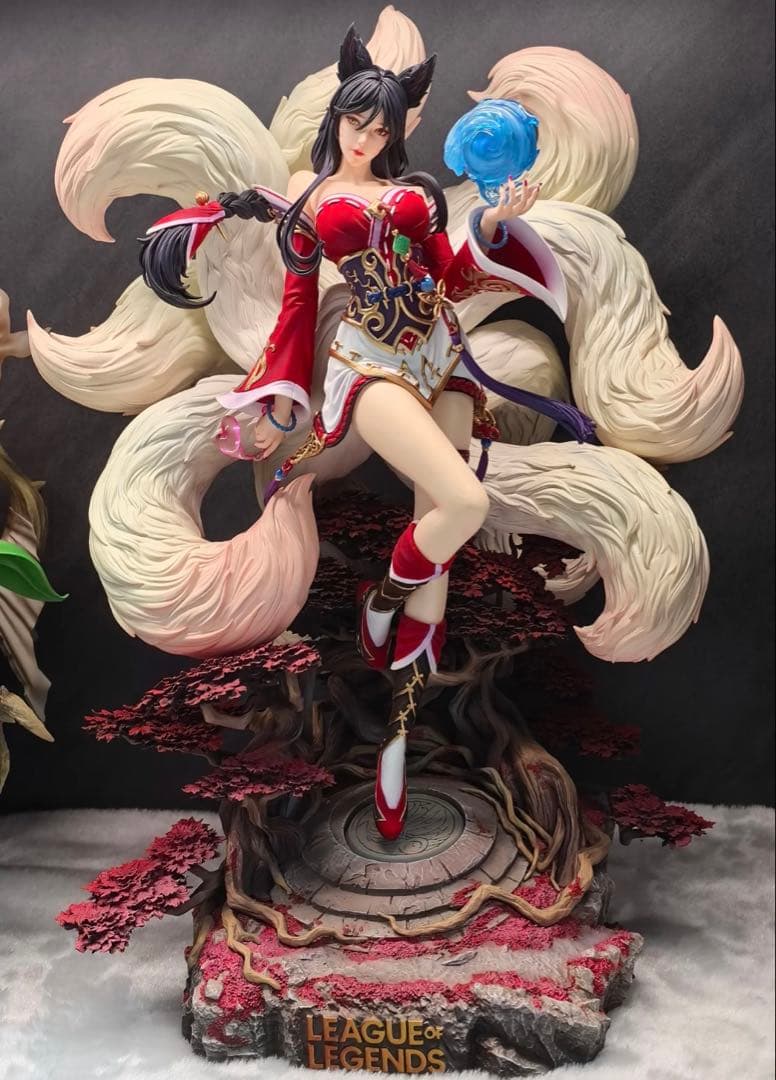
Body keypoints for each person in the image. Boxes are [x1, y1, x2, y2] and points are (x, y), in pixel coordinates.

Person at [140, 26, 594, 841]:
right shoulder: (308, 201)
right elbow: (296, 308)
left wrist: (493, 226)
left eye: (383, 127)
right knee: (462, 503)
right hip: (370, 365)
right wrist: (276, 395)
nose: (368, 137)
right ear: (338, 116)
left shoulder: (416, 189)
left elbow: (447, 277)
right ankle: (380, 600)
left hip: (442, 355)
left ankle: (397, 745)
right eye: (358, 121)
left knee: (442, 551)